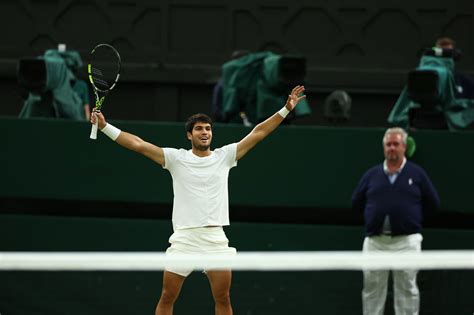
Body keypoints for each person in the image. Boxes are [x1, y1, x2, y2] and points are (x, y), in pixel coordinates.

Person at [91, 85, 306, 315]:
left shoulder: (225, 156)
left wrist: (285, 110)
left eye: (208, 129)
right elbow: (139, 145)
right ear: (189, 135)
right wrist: (104, 127)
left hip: (215, 239)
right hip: (185, 239)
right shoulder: (175, 158)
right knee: (167, 296)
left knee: (223, 298)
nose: (205, 132)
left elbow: (258, 133)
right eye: (199, 129)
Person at [351, 127, 440, 315]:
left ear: (404, 147)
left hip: (407, 243)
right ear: (384, 148)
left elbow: (433, 203)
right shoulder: (371, 175)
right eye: (388, 144)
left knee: (407, 289)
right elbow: (356, 202)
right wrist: (372, 219)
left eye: (396, 144)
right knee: (372, 291)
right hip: (375, 242)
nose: (392, 148)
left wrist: (410, 221)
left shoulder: (417, 174)